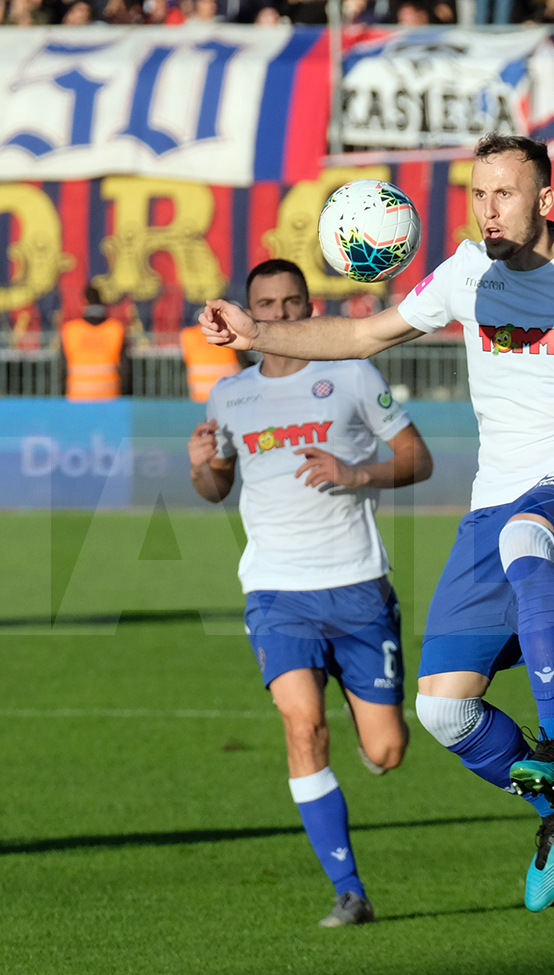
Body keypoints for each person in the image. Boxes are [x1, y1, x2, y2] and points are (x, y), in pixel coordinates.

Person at [200, 135, 554, 913]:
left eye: (505, 194)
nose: (489, 210)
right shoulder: (464, 273)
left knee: (528, 535)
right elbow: (362, 335)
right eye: (478, 194)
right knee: (443, 710)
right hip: (496, 504)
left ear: (545, 200)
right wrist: (256, 336)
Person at [188, 259, 434, 928]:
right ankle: (348, 890)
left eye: (292, 302)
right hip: (277, 593)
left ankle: (371, 723)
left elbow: (419, 459)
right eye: (265, 303)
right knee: (302, 725)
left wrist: (357, 473)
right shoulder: (230, 395)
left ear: (308, 305)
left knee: (385, 752)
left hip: (357, 589)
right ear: (247, 314)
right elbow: (218, 489)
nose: (280, 314)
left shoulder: (352, 375)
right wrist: (200, 467)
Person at [59, 285, 131, 401]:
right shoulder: (116, 329)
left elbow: (61, 368)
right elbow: (126, 368)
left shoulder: (70, 330)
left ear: (84, 302)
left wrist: (62, 395)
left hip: (77, 397)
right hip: (110, 397)